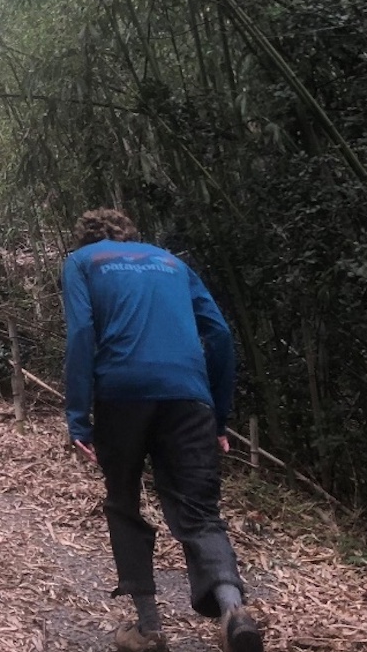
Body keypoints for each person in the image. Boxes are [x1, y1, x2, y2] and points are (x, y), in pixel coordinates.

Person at [61, 208, 262, 652]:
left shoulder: (81, 262)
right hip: (189, 396)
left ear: (86, 237)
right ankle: (234, 610)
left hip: (121, 394)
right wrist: (218, 415)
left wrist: (78, 418)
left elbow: (80, 336)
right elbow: (221, 335)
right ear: (131, 235)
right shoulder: (173, 262)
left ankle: (149, 630)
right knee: (200, 508)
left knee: (124, 501)